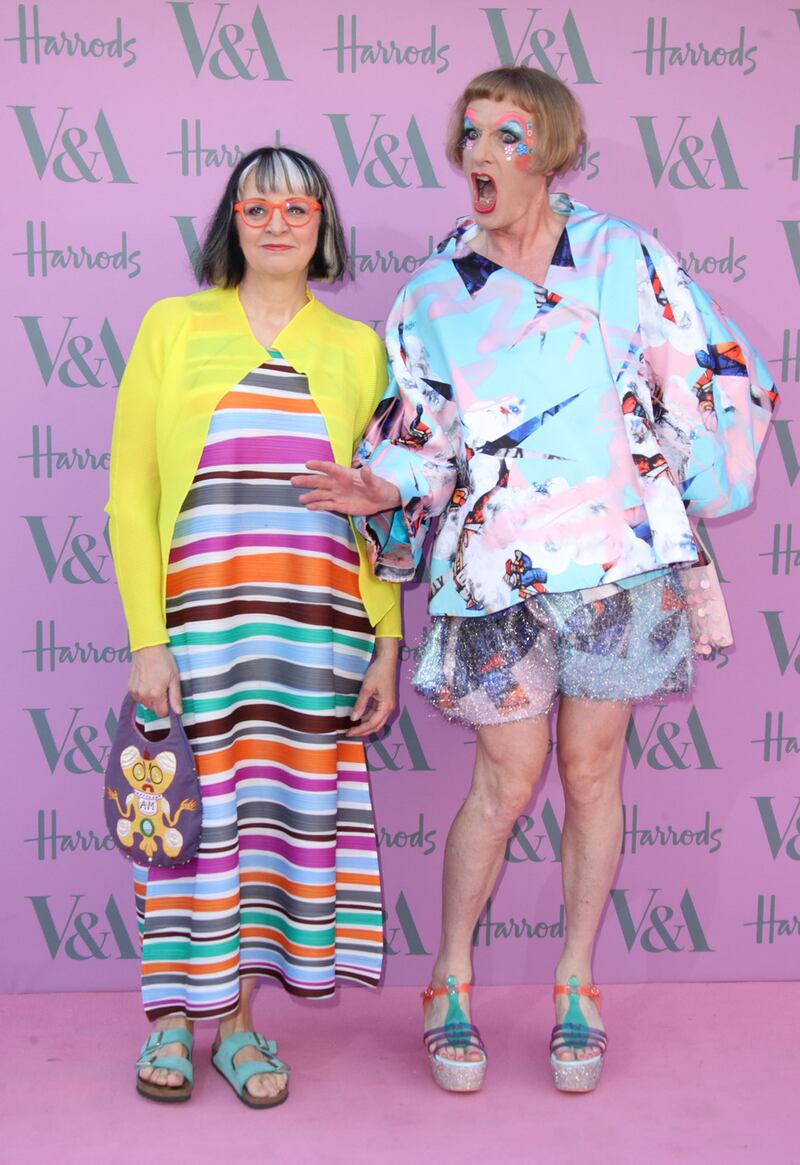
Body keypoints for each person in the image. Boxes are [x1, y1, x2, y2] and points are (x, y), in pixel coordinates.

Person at [291, 68, 777, 1094]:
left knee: (593, 778)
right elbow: (424, 434)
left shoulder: (623, 258)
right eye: (467, 133)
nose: (478, 152)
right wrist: (377, 482)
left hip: (614, 570)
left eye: (504, 135)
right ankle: (448, 980)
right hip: (494, 575)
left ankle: (573, 983)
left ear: (551, 150)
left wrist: (688, 482)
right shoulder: (432, 292)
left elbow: (704, 373)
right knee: (504, 783)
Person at [106, 146, 401, 1107]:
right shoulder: (172, 326)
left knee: (268, 830)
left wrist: (386, 644)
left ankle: (235, 1025)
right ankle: (167, 1023)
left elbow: (379, 513)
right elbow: (132, 495)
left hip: (315, 638)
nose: (277, 224)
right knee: (186, 825)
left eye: (298, 208)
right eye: (257, 206)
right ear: (232, 220)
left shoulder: (359, 348)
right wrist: (147, 639)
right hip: (197, 634)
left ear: (324, 226)